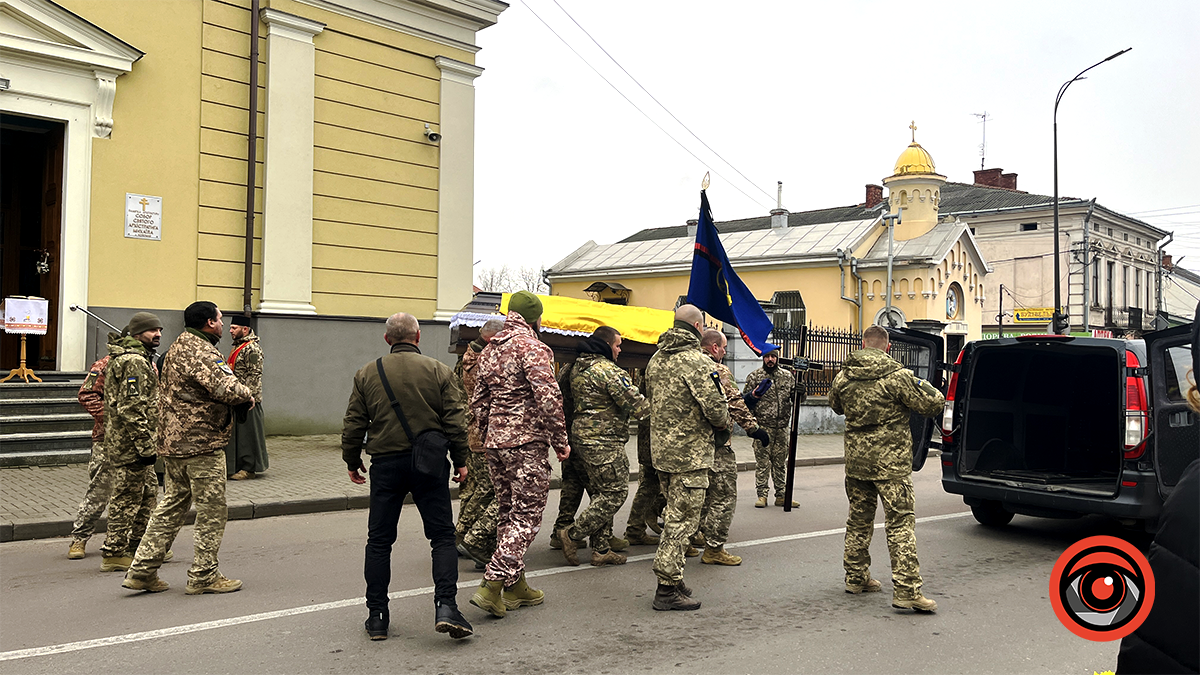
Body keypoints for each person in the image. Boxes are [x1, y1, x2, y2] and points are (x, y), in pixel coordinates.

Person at [342, 312, 473, 642]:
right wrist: (461, 460)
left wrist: (352, 458)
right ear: (417, 337)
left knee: (380, 541)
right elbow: (456, 422)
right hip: (430, 463)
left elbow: (354, 422)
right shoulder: (439, 371)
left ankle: (377, 617)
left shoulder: (367, 373)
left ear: (387, 339)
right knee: (442, 537)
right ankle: (446, 606)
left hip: (385, 465)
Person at [122, 301, 254, 595]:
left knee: (170, 506)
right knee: (211, 511)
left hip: (173, 443)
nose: (223, 325)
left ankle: (142, 570)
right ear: (209, 322)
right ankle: (204, 575)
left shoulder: (178, 345)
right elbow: (228, 388)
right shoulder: (202, 350)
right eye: (220, 319)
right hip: (201, 444)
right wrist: (248, 396)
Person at [827, 325, 944, 613]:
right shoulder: (898, 377)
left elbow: (835, 407)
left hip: (857, 462)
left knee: (858, 519)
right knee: (900, 524)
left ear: (863, 344)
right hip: (891, 465)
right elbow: (934, 404)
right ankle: (906, 590)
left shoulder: (844, 376)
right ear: (888, 347)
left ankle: (855, 577)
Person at [468, 291, 570, 618]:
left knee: (507, 512)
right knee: (526, 516)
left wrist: (486, 436)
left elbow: (478, 402)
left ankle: (516, 585)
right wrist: (560, 441)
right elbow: (549, 398)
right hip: (526, 444)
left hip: (496, 444)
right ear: (535, 318)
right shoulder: (533, 348)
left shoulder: (490, 349)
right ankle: (492, 585)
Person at [645, 304, 729, 611]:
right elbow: (716, 409)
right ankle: (667, 588)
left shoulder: (656, 359)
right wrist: (722, 425)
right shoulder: (696, 361)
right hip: (690, 455)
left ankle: (675, 576)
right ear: (697, 326)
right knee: (682, 521)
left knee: (673, 515)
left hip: (663, 453)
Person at [557, 326, 649, 567]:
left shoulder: (576, 366)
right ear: (607, 345)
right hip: (603, 441)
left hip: (582, 437)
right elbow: (638, 407)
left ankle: (601, 548)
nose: (620, 350)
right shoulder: (608, 371)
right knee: (615, 492)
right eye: (618, 345)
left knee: (601, 492)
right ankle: (573, 533)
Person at [97, 313, 163, 572]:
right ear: (137, 334)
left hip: (136, 444)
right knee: (126, 498)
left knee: (147, 494)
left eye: (159, 329)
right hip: (130, 446)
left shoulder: (137, 358)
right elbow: (131, 407)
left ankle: (136, 545)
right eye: (151, 330)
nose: (157, 334)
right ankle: (113, 553)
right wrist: (145, 445)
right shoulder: (134, 361)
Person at [698, 329, 769, 566]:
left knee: (697, 496)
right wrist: (753, 428)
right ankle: (714, 549)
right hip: (717, 445)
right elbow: (733, 403)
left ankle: (690, 540)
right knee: (724, 496)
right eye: (725, 347)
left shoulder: (682, 366)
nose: (726, 352)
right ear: (715, 347)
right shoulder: (717, 369)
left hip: (688, 446)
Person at [455, 318, 504, 569]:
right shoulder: (485, 362)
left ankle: (462, 536)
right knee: (489, 491)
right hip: (484, 434)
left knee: (476, 489)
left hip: (471, 430)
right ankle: (471, 539)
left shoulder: (467, 357)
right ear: (490, 339)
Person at [67, 347, 116, 559]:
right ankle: (80, 538)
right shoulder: (104, 365)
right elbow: (86, 394)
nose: (158, 334)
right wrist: (114, 418)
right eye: (152, 330)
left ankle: (130, 540)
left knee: (143, 492)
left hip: (138, 440)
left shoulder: (148, 365)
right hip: (107, 439)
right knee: (100, 490)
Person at [743, 348, 797, 508]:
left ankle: (781, 495)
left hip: (782, 428)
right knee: (763, 463)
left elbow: (796, 399)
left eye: (773, 356)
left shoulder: (787, 377)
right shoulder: (755, 377)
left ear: (777, 358)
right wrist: (752, 426)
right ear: (763, 358)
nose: (770, 360)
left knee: (780, 463)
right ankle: (762, 495)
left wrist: (801, 393)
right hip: (763, 427)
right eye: (767, 357)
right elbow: (746, 402)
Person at [225, 315, 267, 480]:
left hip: (248, 401)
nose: (230, 330)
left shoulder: (252, 349)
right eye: (230, 327)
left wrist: (249, 397)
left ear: (245, 329)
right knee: (239, 436)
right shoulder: (238, 347)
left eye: (234, 328)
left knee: (248, 436)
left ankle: (249, 468)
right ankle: (237, 465)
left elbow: (254, 375)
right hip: (238, 398)